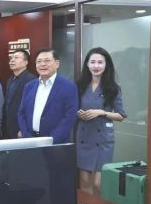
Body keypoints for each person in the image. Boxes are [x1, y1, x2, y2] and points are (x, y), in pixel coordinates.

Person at [75, 47, 126, 195]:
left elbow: (121, 115)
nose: (96, 66)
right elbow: (71, 108)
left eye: (100, 62)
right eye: (92, 62)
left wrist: (102, 112)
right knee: (85, 182)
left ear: (106, 65)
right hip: (84, 137)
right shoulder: (79, 86)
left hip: (103, 139)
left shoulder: (113, 88)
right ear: (87, 64)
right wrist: (78, 113)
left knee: (98, 183)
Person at [17, 48, 78, 144]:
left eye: (47, 61)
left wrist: (51, 140)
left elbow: (70, 116)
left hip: (56, 143)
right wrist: (26, 136)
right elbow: (21, 113)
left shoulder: (68, 86)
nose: (42, 64)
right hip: (30, 141)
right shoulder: (29, 86)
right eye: (39, 61)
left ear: (57, 64)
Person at [1, 49, 34, 139]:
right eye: (11, 58)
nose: (12, 60)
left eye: (16, 58)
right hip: (7, 127)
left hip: (21, 128)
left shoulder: (31, 80)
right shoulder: (10, 80)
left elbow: (31, 108)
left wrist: (23, 129)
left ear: (25, 62)